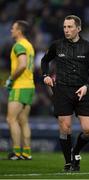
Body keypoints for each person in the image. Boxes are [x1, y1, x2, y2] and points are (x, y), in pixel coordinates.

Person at [41, 15, 89, 171]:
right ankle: (68, 163)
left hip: (82, 90)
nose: (66, 30)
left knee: (88, 130)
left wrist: (87, 85)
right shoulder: (57, 45)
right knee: (65, 127)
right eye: (65, 27)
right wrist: (45, 75)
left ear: (78, 28)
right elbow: (44, 60)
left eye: (70, 27)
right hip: (62, 90)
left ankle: (76, 152)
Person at [5, 20, 35, 160]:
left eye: (13, 28)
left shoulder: (19, 45)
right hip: (29, 86)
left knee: (11, 119)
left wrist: (11, 79)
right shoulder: (29, 45)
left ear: (19, 31)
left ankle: (16, 152)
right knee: (23, 120)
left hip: (20, 85)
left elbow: (22, 65)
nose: (11, 30)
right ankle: (27, 152)